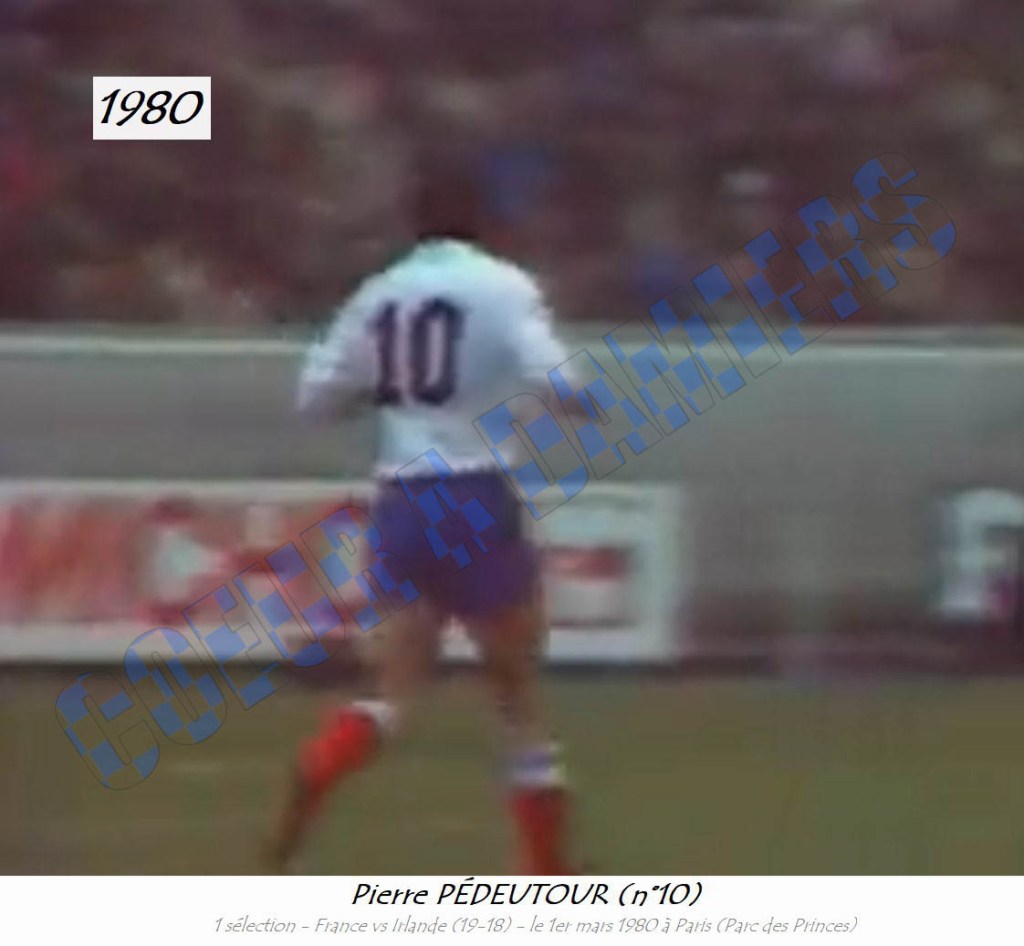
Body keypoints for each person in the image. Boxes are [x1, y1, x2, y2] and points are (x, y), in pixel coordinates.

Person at [265, 224, 580, 875]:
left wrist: (378, 392)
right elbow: (558, 378)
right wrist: (581, 403)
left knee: (393, 693)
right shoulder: (502, 285)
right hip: (475, 493)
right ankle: (547, 874)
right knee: (516, 700)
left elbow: (314, 399)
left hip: (403, 499)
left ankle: (318, 771)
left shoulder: (377, 293)